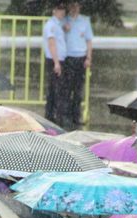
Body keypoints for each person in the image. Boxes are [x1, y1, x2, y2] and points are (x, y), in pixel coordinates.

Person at [63, 0, 93, 129]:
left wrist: (88, 57)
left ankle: (76, 116)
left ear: (79, 7)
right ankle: (67, 115)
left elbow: (89, 40)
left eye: (76, 6)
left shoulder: (85, 21)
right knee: (67, 88)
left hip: (80, 58)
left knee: (78, 89)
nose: (74, 8)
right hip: (68, 57)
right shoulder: (64, 21)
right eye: (72, 6)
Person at [42, 3, 68, 128]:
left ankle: (52, 117)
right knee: (56, 90)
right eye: (60, 9)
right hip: (54, 60)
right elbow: (51, 44)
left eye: (63, 9)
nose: (62, 12)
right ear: (54, 10)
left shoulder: (57, 24)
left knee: (55, 89)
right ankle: (54, 118)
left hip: (58, 59)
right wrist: (56, 63)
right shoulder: (51, 25)